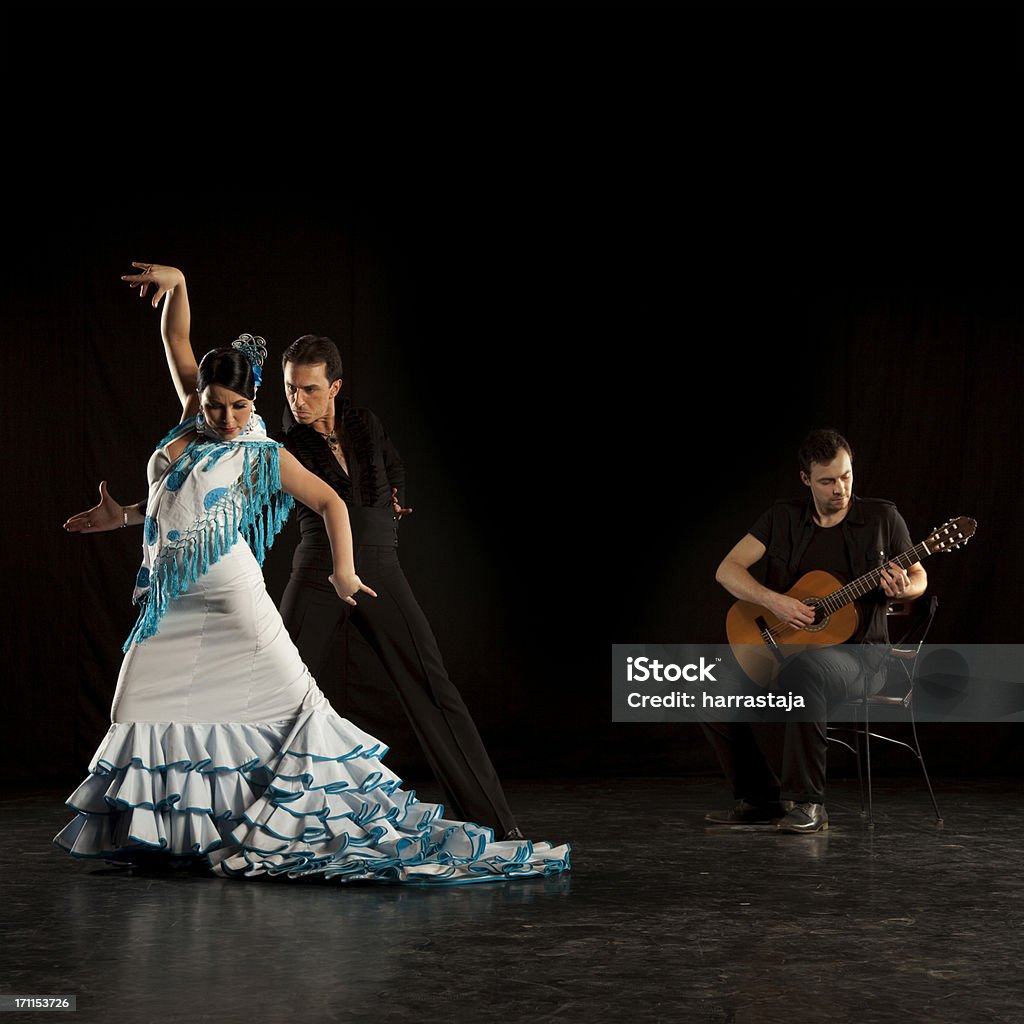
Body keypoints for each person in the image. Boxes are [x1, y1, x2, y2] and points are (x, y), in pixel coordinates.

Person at [56, 262, 570, 883]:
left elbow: (344, 494)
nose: (233, 416)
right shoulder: (227, 428)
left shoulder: (305, 440)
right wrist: (127, 517)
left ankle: (471, 822)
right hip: (222, 590)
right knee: (173, 710)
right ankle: (185, 833)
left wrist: (355, 560)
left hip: (300, 583)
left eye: (245, 405)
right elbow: (179, 367)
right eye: (222, 404)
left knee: (355, 702)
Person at [276, 335, 526, 842]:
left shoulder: (364, 423)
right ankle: (247, 824)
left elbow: (394, 465)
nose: (297, 400)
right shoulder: (279, 444)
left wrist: (396, 500)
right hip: (320, 568)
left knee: (434, 687)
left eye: (308, 389)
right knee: (280, 691)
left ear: (335, 387)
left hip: (380, 566)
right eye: (289, 389)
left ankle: (495, 824)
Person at [701, 428, 927, 834]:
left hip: (862, 657)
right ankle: (759, 799)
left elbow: (918, 577)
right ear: (806, 479)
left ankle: (807, 804)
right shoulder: (782, 517)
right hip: (782, 646)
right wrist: (776, 602)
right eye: (827, 480)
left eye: (846, 476)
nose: (840, 488)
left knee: (804, 672)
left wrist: (904, 587)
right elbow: (726, 570)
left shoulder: (881, 518)